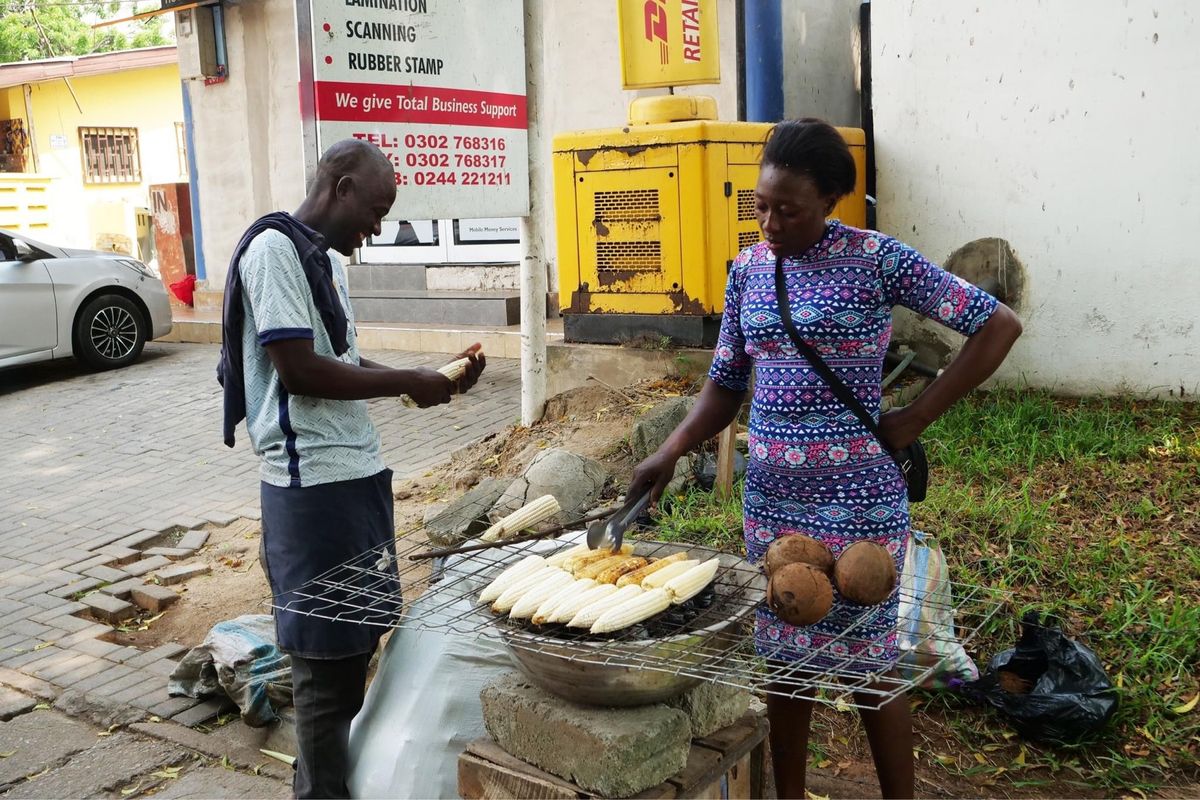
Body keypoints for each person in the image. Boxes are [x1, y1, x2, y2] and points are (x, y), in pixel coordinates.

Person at [629, 118, 1022, 799]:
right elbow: (725, 384)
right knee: (787, 662)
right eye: (761, 206)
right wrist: (669, 449)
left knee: (871, 664)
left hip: (860, 499)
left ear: (831, 201)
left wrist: (918, 413)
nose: (771, 223)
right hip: (774, 502)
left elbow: (998, 325)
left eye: (790, 210)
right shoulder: (749, 270)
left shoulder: (876, 259)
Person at [216, 138, 485, 799]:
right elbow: (298, 369)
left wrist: (432, 380)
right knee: (324, 674)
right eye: (375, 210)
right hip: (312, 496)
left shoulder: (326, 263)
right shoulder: (273, 250)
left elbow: (339, 361)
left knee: (355, 654)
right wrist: (407, 379)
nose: (378, 228)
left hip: (355, 483)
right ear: (340, 188)